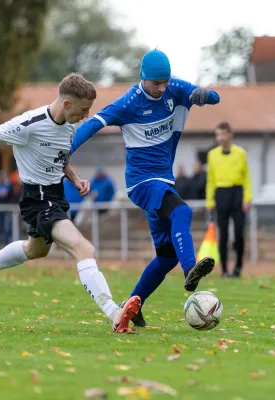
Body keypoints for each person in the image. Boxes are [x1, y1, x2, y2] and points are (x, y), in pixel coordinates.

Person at [0, 73, 140, 333]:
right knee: (84, 249)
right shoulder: (28, 124)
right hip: (38, 199)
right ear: (66, 104)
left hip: (55, 196)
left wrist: (75, 179)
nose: (85, 116)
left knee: (36, 250)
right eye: (83, 110)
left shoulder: (68, 125)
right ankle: (114, 313)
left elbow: (59, 156)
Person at [70, 49, 220, 327]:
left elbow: (212, 96)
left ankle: (132, 306)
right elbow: (91, 125)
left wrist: (204, 95)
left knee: (165, 257)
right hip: (141, 182)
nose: (162, 88)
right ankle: (191, 269)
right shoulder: (129, 103)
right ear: (143, 79)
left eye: (165, 81)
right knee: (182, 212)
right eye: (156, 83)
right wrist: (63, 150)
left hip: (163, 181)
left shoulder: (175, 88)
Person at [206, 121, 252, 278]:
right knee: (223, 235)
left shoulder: (240, 153)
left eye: (223, 134)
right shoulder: (212, 155)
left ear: (230, 135)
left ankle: (238, 266)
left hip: (237, 193)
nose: (220, 137)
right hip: (221, 194)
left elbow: (246, 177)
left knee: (239, 233)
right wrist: (210, 201)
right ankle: (224, 269)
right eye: (218, 134)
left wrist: (247, 198)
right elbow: (210, 179)